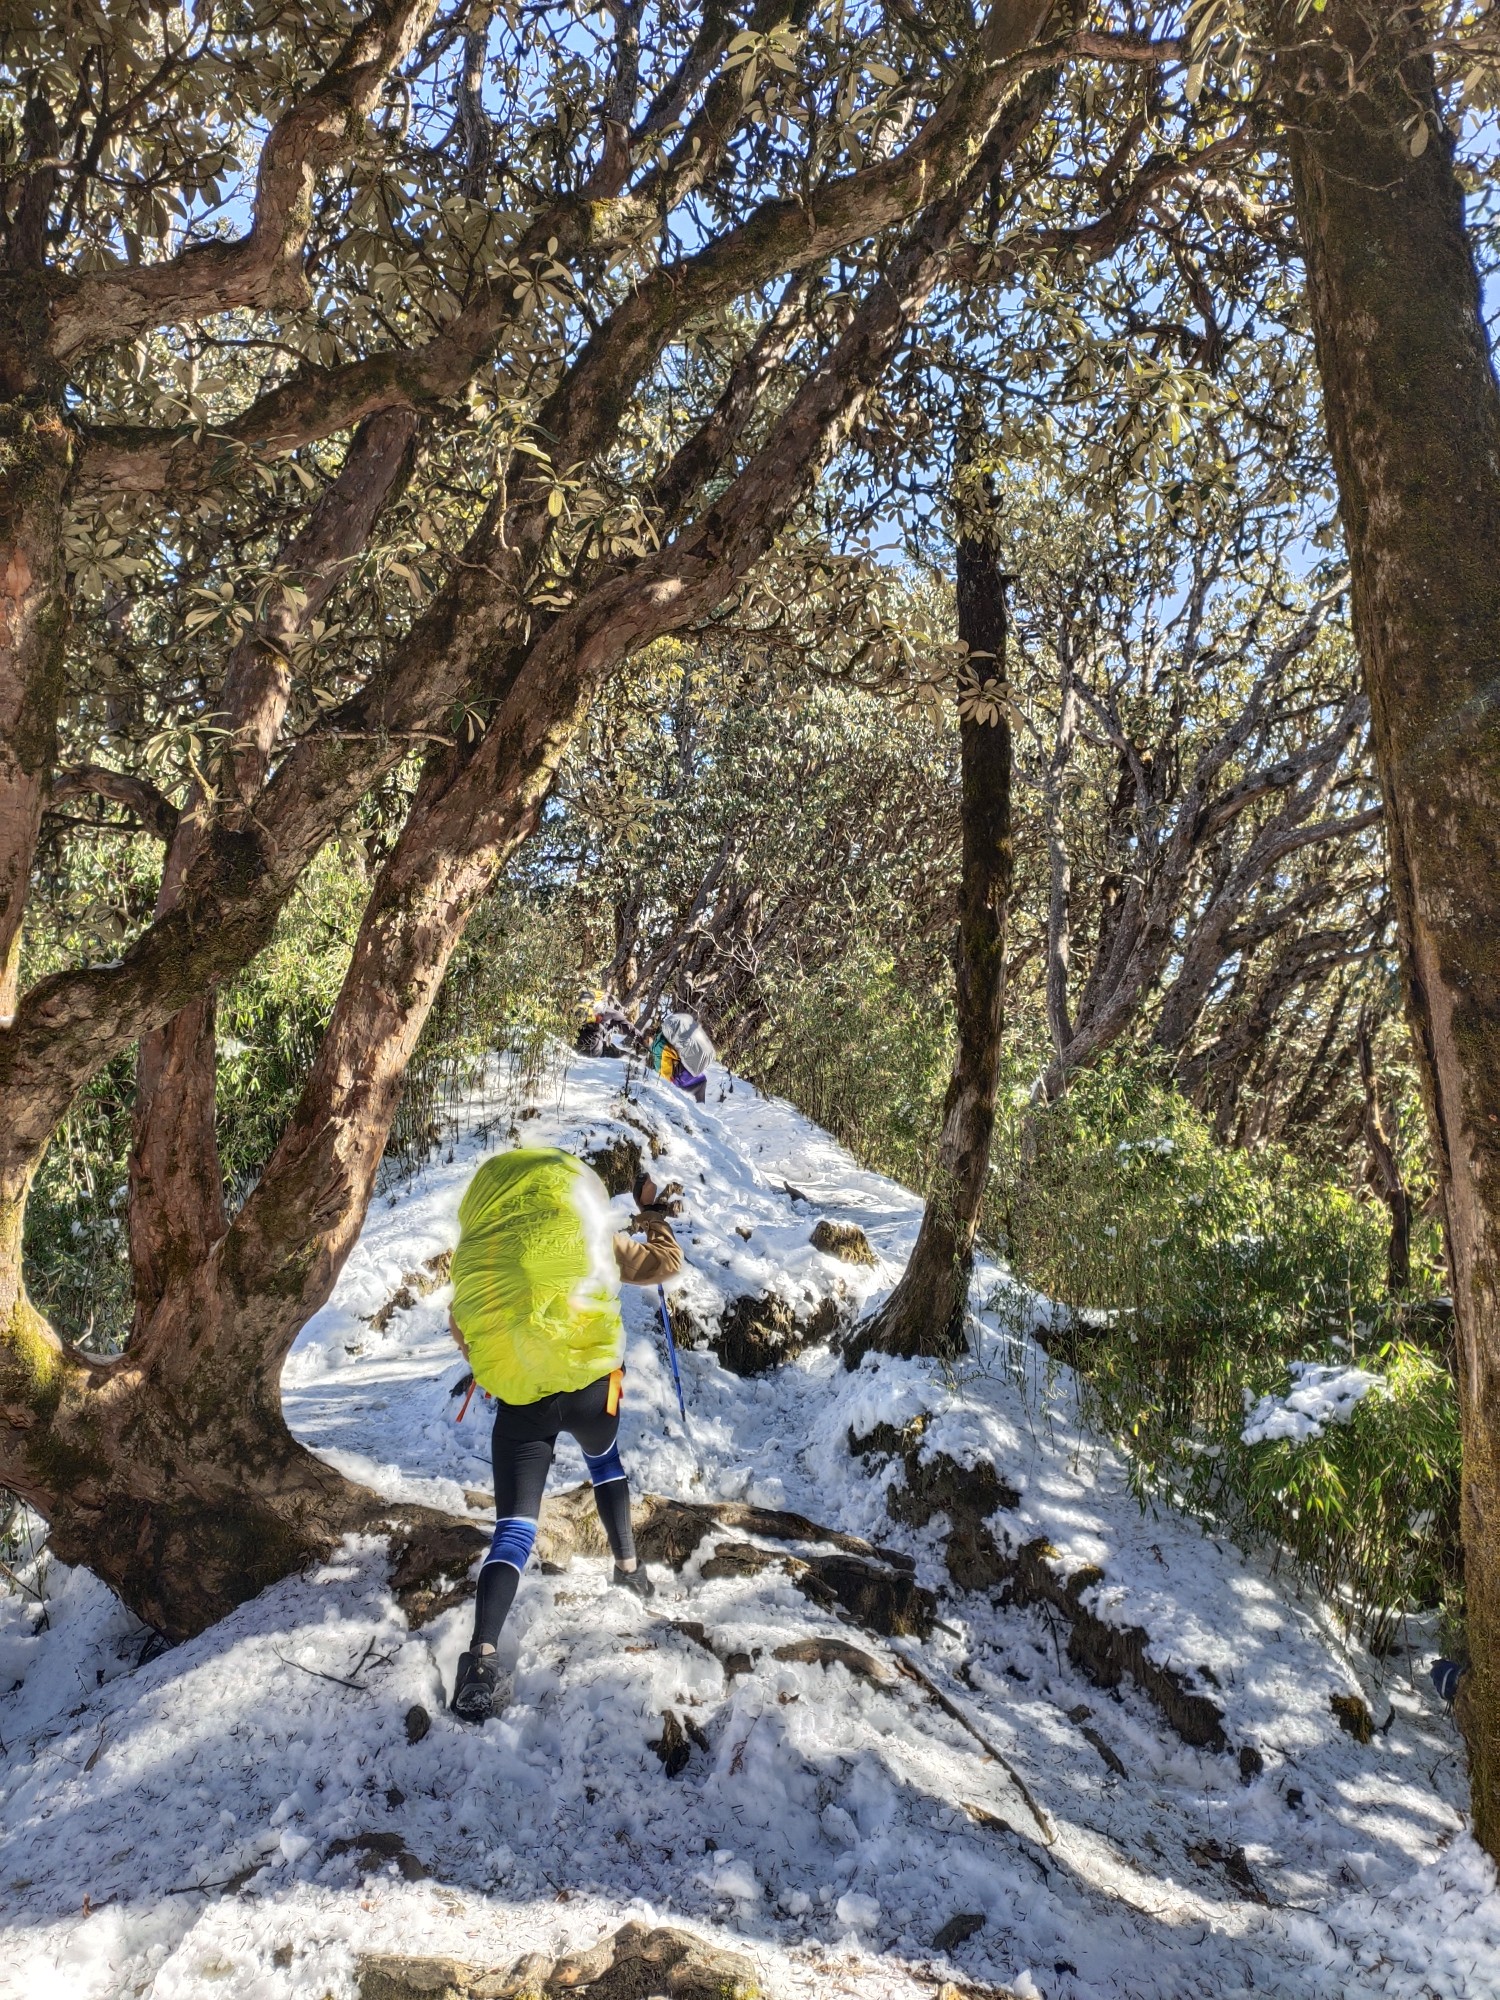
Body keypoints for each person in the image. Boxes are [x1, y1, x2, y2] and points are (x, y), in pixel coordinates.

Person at [446, 1147, 683, 1722]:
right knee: (605, 1461)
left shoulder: (484, 1252)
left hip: (524, 1404)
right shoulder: (592, 1241)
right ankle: (629, 1572)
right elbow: (666, 1263)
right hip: (589, 1392)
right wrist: (650, 1215)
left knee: (514, 1530)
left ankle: (480, 1663)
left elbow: (465, 1330)